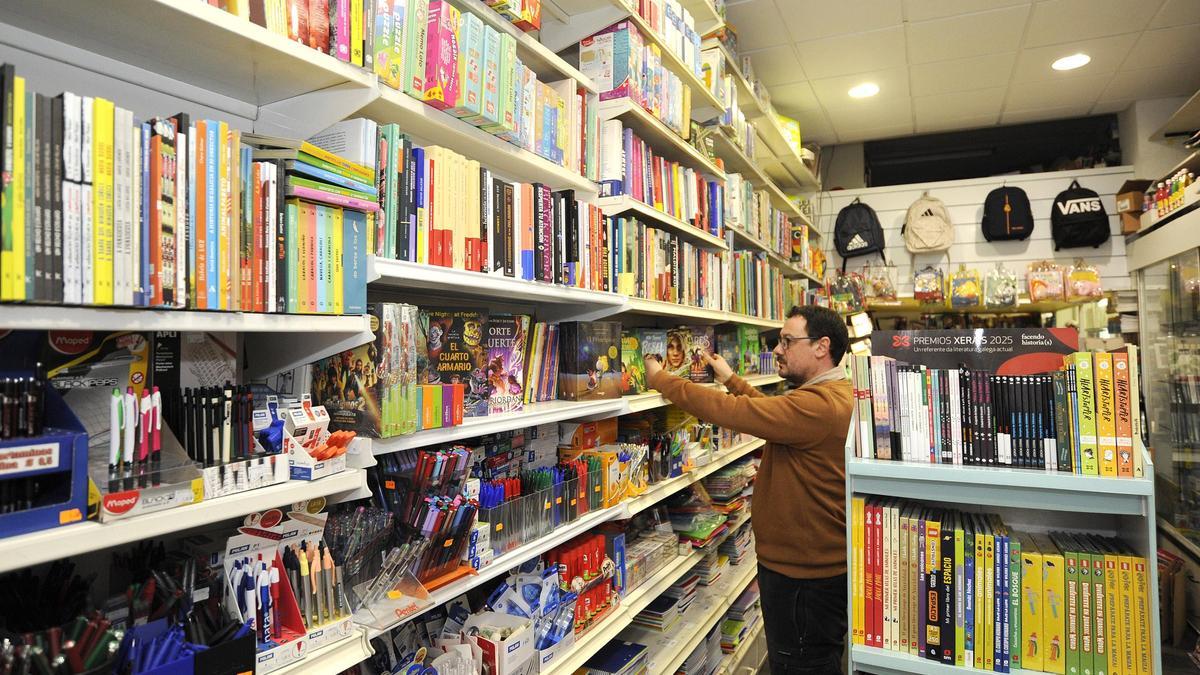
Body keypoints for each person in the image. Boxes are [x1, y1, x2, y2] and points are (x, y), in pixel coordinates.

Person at [644, 305, 853, 674]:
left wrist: (662, 379)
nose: (777, 349)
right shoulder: (827, 396)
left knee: (803, 666)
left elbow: (735, 413)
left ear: (822, 346)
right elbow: (776, 415)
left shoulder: (820, 405)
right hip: (807, 575)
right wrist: (733, 379)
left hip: (803, 583)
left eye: (788, 341)